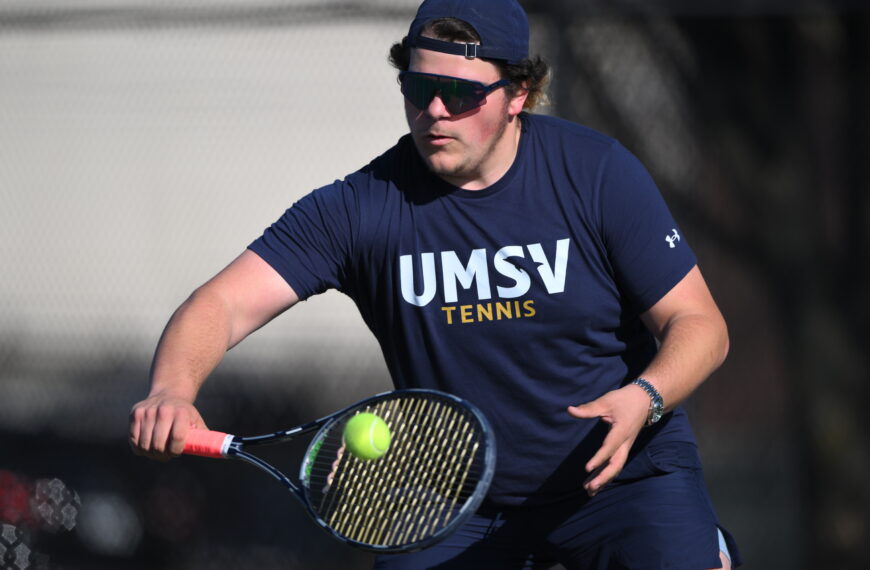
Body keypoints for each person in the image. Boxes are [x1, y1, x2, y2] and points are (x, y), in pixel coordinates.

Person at [129, 0, 741, 567]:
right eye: (419, 90)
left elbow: (701, 327)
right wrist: (172, 390)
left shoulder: (598, 174)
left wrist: (646, 397)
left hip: (622, 481)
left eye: (461, 95)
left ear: (517, 94)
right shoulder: (362, 207)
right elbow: (223, 302)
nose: (436, 112)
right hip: (456, 499)